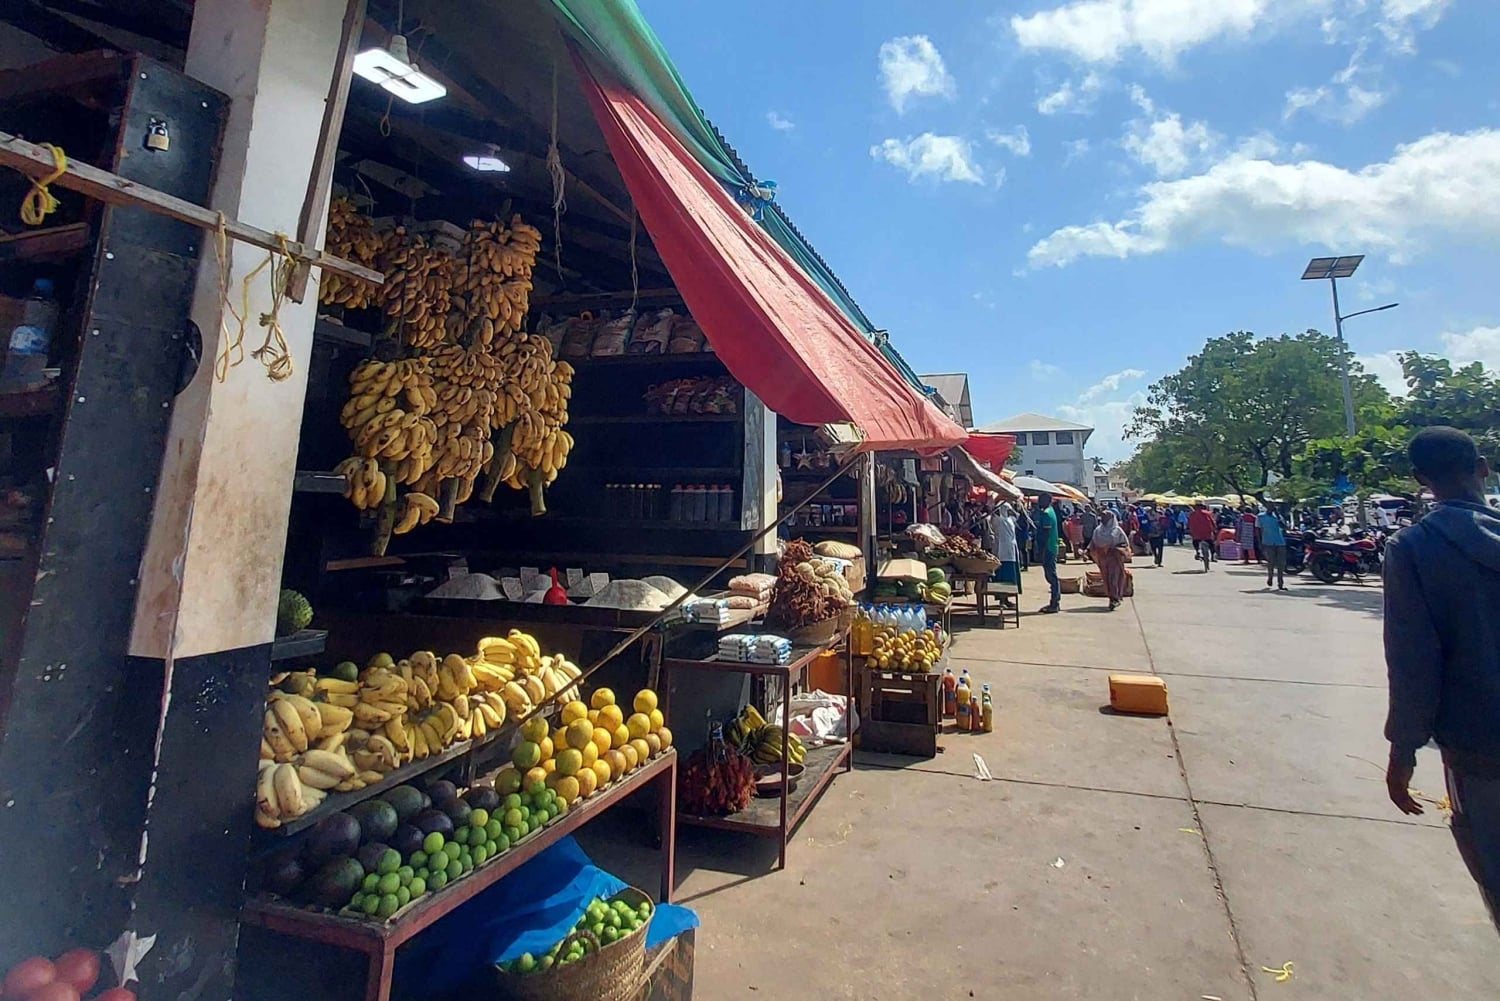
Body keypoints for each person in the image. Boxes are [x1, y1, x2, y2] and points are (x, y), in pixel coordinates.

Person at [1383, 427, 1500, 928]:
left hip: (1478, 745)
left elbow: (1413, 662)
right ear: (1483, 468)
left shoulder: (1414, 547)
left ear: (1420, 481)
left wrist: (1403, 749)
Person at [1087, 509, 1130, 610]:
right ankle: (1111, 597)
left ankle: (1115, 598)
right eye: (1102, 517)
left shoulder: (1117, 530)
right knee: (1106, 579)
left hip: (1115, 558)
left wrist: (1115, 549)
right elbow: (1092, 543)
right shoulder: (1098, 530)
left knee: (1114, 578)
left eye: (1106, 517)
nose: (1103, 519)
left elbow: (1125, 544)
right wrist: (1087, 551)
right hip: (1103, 559)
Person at [987, 501, 1021, 608]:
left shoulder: (1010, 520)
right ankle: (1001, 599)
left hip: (1010, 552)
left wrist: (1018, 507)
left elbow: (1018, 516)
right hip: (1000, 551)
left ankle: (1006, 598)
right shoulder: (997, 520)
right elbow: (993, 517)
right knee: (1001, 576)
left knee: (1009, 577)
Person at [1034, 492, 1061, 613]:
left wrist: (1041, 550)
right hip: (1051, 547)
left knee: (1051, 575)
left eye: (1040, 500)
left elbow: (1045, 534)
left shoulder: (1047, 514)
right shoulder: (1050, 511)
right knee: (1050, 574)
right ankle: (1054, 601)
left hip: (1048, 548)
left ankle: (1055, 603)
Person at [1257, 505, 1289, 590]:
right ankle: (1270, 577)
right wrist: (1260, 543)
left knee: (1281, 564)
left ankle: (1280, 583)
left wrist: (1278, 515)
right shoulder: (1260, 517)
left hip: (1280, 542)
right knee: (1271, 562)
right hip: (1268, 542)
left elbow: (1284, 527)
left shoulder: (1278, 517)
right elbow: (1258, 530)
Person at [1188, 502, 1217, 567]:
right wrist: (1215, 529)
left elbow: (1189, 524)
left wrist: (1190, 531)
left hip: (1196, 533)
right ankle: (1213, 556)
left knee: (1195, 542)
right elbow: (1213, 522)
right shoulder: (1208, 513)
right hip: (1207, 533)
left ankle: (1197, 551)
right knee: (1212, 544)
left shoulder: (1192, 514)